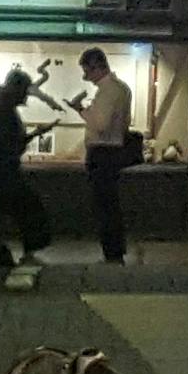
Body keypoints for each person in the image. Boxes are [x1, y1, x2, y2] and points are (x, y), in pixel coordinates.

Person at [0, 66, 52, 280]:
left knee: (15, 210)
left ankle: (7, 249)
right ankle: (26, 248)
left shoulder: (2, 111)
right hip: (4, 175)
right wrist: (34, 135)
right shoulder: (7, 115)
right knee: (28, 207)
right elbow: (9, 146)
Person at [75, 46, 137, 266]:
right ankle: (115, 250)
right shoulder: (123, 89)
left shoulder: (107, 90)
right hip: (115, 151)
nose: (86, 77)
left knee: (103, 206)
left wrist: (81, 110)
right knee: (111, 204)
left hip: (101, 153)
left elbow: (100, 125)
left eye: (87, 71)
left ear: (96, 67)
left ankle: (111, 252)